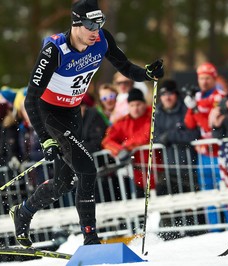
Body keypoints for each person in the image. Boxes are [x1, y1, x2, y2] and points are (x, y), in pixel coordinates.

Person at [9, 0, 164, 248]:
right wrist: (45, 137)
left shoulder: (102, 39)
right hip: (50, 114)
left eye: (99, 23)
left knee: (64, 183)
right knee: (87, 170)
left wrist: (146, 74)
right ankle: (90, 240)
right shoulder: (54, 50)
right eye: (91, 25)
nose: (96, 31)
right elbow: (30, 100)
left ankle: (24, 211)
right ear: (76, 23)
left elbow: (124, 67)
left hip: (72, 112)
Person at [184, 62, 227, 229]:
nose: (204, 82)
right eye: (201, 78)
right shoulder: (198, 97)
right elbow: (189, 123)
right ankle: (213, 228)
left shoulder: (219, 96)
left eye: (207, 78)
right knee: (207, 191)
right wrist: (191, 108)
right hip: (204, 152)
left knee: (223, 189)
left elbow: (210, 126)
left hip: (219, 151)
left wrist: (195, 110)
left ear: (214, 78)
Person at [102, 88, 156, 197]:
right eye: (132, 105)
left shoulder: (153, 115)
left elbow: (146, 136)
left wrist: (127, 146)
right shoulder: (123, 122)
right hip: (135, 174)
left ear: (144, 104)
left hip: (156, 169)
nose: (135, 109)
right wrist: (119, 150)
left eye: (138, 104)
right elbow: (107, 141)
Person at [153, 79, 200, 195]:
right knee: (165, 203)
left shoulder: (186, 109)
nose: (167, 98)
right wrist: (164, 138)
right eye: (163, 94)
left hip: (190, 168)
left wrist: (170, 136)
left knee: (195, 206)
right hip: (169, 169)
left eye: (170, 94)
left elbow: (195, 135)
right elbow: (154, 138)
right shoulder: (158, 113)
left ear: (176, 95)